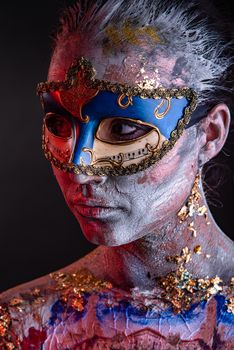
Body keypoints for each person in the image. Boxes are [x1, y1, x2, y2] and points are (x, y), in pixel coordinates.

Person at [0, 0, 233, 348]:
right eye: (58, 124)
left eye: (123, 129)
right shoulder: (23, 325)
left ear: (210, 134)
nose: (79, 171)